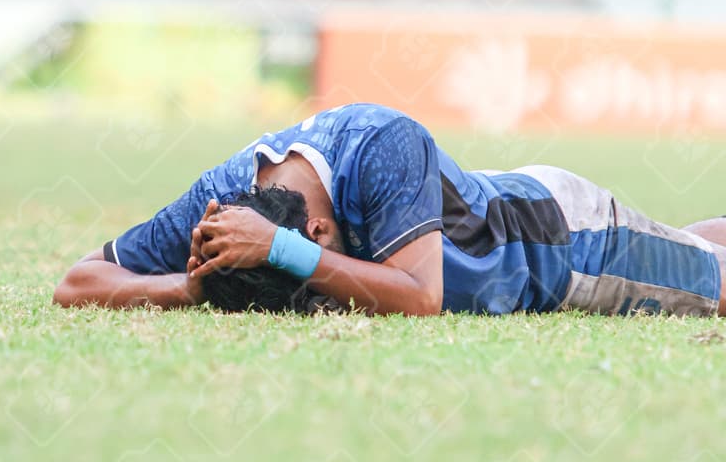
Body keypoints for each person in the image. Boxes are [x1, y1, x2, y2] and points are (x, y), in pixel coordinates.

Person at [53, 102, 726, 317]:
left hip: (562, 244)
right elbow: (77, 283)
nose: (319, 294)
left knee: (715, 284)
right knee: (689, 244)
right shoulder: (221, 201)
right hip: (508, 210)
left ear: (317, 230)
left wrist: (285, 253)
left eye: (312, 269)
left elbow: (421, 297)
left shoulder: (380, 142)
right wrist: (189, 286)